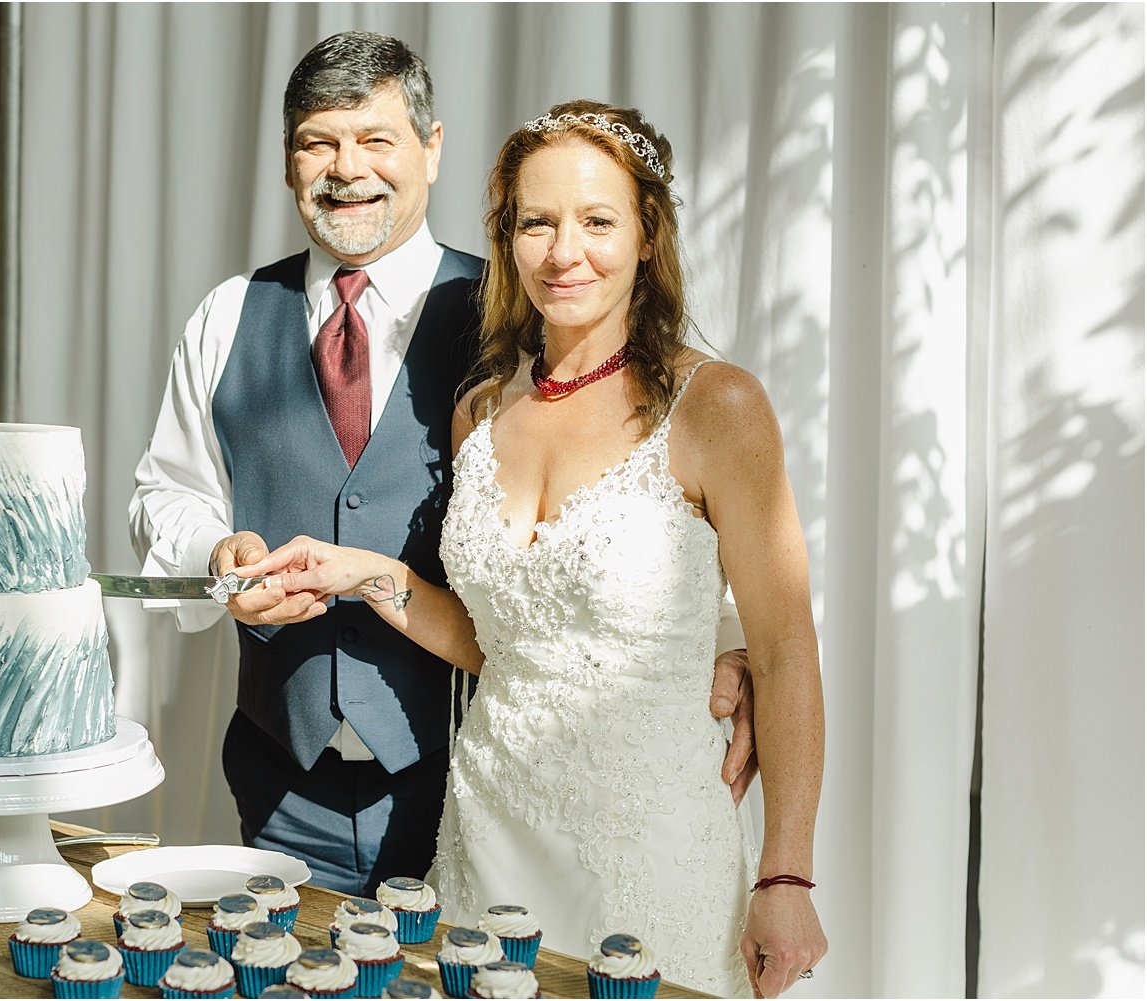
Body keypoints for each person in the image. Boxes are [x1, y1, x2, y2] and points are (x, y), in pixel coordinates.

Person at [129, 35, 758, 900]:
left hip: (469, 780)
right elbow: (167, 490)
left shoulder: (527, 313)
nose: (347, 169)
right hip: (281, 781)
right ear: (287, 164)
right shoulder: (227, 315)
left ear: (431, 147)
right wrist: (215, 551)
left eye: (376, 138)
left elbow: (645, 498)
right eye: (319, 142)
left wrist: (727, 648)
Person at [237, 99, 826, 998]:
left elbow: (784, 653)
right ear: (507, 237)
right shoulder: (482, 407)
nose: (564, 251)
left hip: (650, 850)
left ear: (646, 234)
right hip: (487, 836)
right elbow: (499, 640)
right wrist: (372, 575)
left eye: (597, 220)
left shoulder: (719, 408)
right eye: (536, 222)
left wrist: (785, 876)